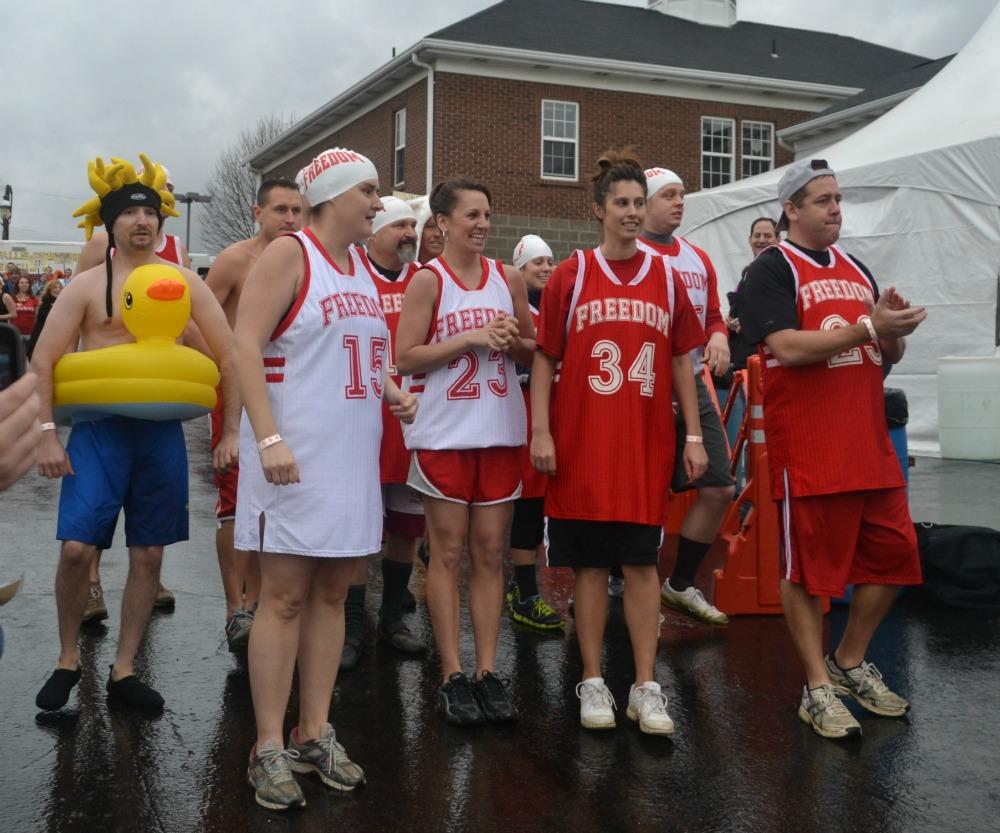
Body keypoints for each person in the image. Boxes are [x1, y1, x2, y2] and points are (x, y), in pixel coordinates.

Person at [234, 147, 416, 810]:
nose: (378, 202)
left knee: (335, 594)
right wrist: (268, 436)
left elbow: (354, 349)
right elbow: (243, 343)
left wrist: (391, 388)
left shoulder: (361, 266)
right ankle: (267, 744)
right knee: (283, 596)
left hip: (351, 457)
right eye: (369, 190)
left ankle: (314, 731)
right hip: (295, 455)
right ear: (335, 193)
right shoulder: (291, 253)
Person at [32, 155, 238, 712]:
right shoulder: (84, 288)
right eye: (131, 213)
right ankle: (68, 658)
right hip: (99, 430)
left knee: (148, 555)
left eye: (151, 212)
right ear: (111, 225)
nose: (142, 221)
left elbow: (227, 354)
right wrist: (47, 434)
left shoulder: (183, 285)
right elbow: (44, 361)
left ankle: (124, 670)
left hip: (159, 433)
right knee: (78, 549)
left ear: (161, 224)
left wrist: (232, 430)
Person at [740, 159, 927, 740]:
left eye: (838, 199)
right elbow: (788, 348)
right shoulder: (770, 271)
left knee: (897, 558)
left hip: (868, 444)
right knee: (805, 573)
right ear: (792, 209)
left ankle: (847, 661)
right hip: (812, 449)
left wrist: (891, 330)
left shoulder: (856, 268)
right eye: (823, 200)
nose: (836, 208)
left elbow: (883, 356)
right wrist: (868, 329)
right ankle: (815, 688)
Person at [531, 149, 707, 735]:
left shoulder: (667, 276)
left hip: (642, 443)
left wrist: (695, 434)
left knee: (641, 566)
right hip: (583, 445)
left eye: (639, 203)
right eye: (622, 204)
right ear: (599, 210)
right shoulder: (571, 274)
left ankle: (646, 685)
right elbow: (544, 359)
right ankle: (593, 679)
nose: (632, 213)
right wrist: (541, 430)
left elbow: (682, 358)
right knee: (587, 567)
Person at [396, 178, 534, 726]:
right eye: (470, 215)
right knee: (447, 553)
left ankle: (487, 670)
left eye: (487, 214)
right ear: (443, 224)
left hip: (498, 430)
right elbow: (406, 357)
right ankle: (451, 671)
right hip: (445, 434)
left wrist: (509, 336)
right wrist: (472, 339)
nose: (481, 224)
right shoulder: (429, 281)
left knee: (490, 551)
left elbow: (531, 345)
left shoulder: (510, 278)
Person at [197, 178, 304, 651]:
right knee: (235, 499)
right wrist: (225, 364)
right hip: (238, 393)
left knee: (276, 499)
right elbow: (193, 315)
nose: (290, 219)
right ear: (257, 213)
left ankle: (263, 603)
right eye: (280, 209)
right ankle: (234, 607)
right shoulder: (236, 260)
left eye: (298, 210)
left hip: (291, 392)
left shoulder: (306, 259)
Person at [77, 166, 187, 619]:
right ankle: (91, 582)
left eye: (158, 202)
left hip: (159, 403)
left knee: (151, 523)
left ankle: (151, 578)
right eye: (140, 204)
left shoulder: (173, 255)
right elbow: (85, 308)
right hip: (107, 400)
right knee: (95, 515)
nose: (149, 213)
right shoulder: (101, 246)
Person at [635, 166, 734, 626]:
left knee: (718, 487)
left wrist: (719, 337)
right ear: (646, 202)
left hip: (692, 378)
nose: (679, 202)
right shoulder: (631, 254)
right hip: (643, 379)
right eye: (668, 195)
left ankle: (680, 583)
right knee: (641, 492)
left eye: (682, 194)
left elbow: (713, 314)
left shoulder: (697, 257)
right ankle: (627, 584)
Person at [340, 195, 426, 669]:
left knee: (406, 529)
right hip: (365, 423)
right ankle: (353, 625)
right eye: (401, 226)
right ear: (376, 233)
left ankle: (392, 617)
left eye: (414, 226)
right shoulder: (354, 277)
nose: (410, 234)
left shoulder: (426, 280)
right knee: (359, 532)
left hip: (413, 423)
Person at [505, 234, 564, 630]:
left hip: (558, 414)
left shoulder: (560, 308)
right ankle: (525, 591)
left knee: (551, 503)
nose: (544, 269)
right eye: (535, 263)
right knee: (527, 503)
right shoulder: (516, 308)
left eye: (548, 262)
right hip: (524, 415)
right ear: (520, 271)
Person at [726, 217, 778, 374]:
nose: (761, 240)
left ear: (778, 240)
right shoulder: (747, 273)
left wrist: (748, 323)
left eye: (768, 236)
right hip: (743, 361)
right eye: (757, 235)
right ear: (750, 240)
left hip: (766, 361)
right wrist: (731, 323)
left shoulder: (782, 272)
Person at [27, 279, 62, 360]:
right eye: (55, 288)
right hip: (42, 333)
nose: (58, 290)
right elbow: (44, 317)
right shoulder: (45, 301)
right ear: (49, 290)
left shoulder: (62, 302)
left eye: (60, 288)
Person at [11, 275, 39, 342]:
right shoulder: (11, 299)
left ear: (29, 285)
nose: (24, 284)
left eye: (26, 283)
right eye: (21, 283)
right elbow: (9, 318)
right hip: (15, 333)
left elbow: (37, 317)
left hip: (30, 333)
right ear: (18, 285)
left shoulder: (35, 300)